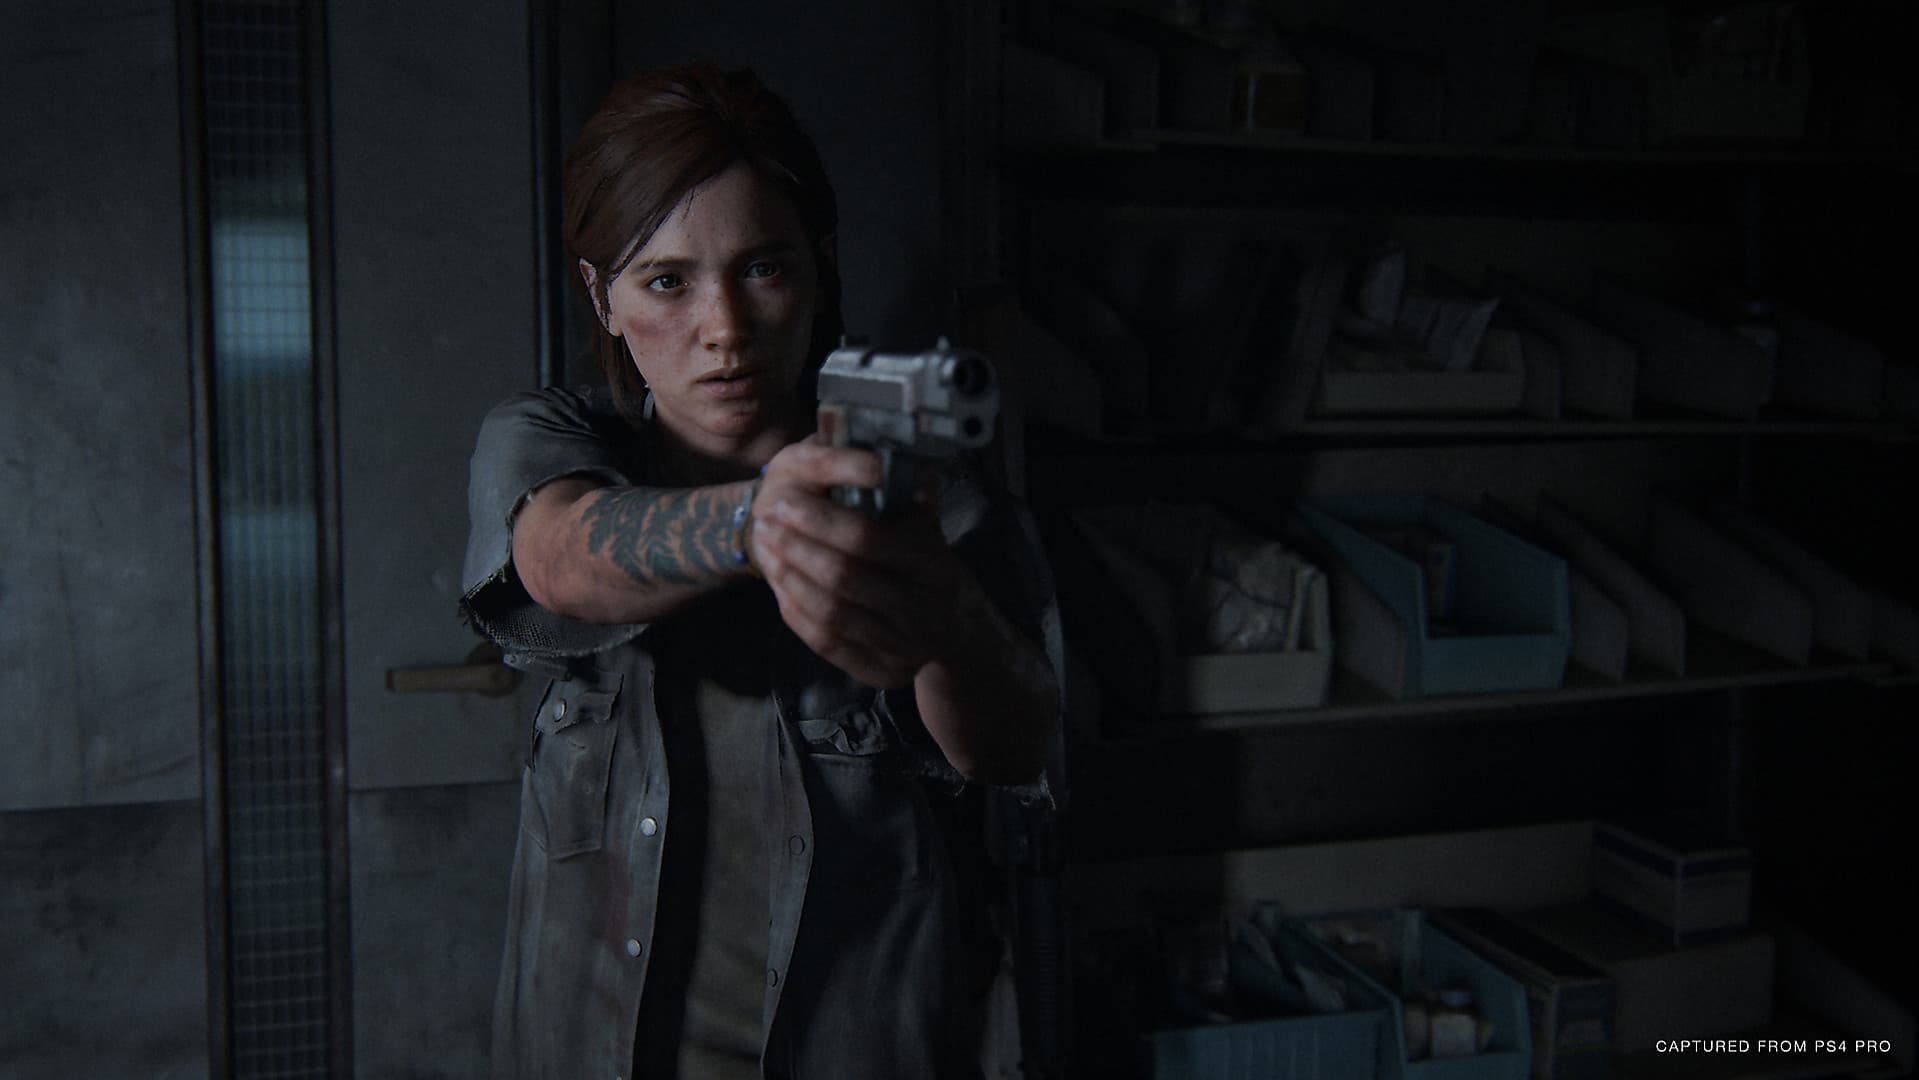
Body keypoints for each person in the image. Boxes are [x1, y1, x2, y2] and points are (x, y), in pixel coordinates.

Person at [459, 62, 1060, 1080]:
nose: (724, 330)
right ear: (603, 298)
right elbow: (561, 558)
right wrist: (760, 520)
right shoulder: (550, 437)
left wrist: (947, 619)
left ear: (818, 268)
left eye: (763, 269)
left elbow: (1011, 748)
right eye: (667, 282)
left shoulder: (927, 500)